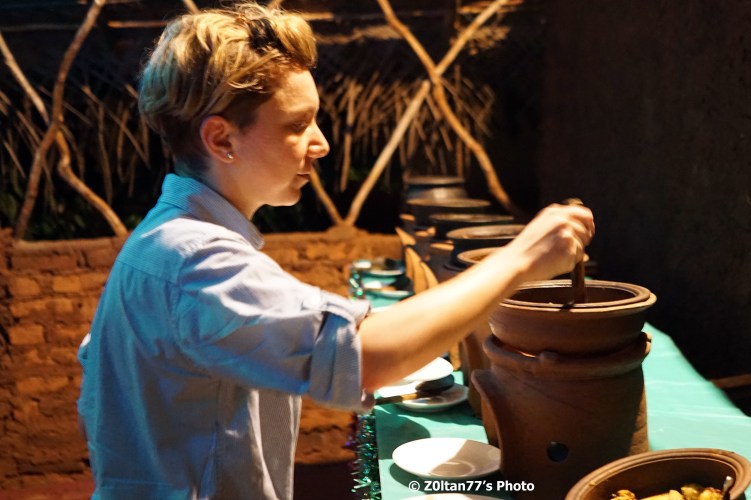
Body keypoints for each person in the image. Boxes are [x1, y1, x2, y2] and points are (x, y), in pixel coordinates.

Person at [76, 2, 594, 499]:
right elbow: (365, 357)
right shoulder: (191, 257)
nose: (320, 143)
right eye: (297, 124)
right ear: (222, 139)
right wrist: (521, 258)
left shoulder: (170, 239)